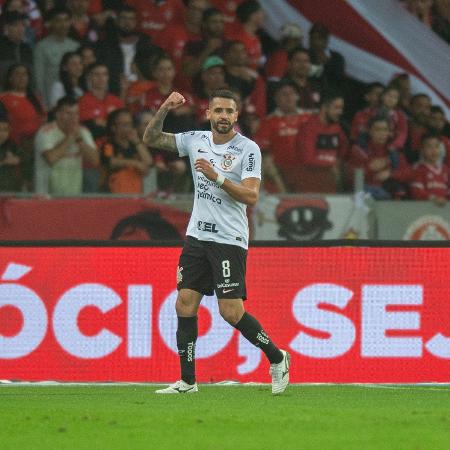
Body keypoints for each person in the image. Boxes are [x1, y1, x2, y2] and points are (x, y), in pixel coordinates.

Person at [143, 89, 290, 395]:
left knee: (231, 312)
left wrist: (217, 177)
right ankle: (187, 381)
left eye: (229, 112)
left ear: (237, 116)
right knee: (184, 303)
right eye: (218, 111)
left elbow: (251, 196)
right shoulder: (195, 139)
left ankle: (277, 358)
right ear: (208, 113)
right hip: (197, 235)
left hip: (229, 238)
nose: (223, 116)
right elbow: (152, 140)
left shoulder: (248, 149)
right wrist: (165, 108)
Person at [34, 95, 98, 195]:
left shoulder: (83, 132)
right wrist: (70, 137)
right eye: (68, 113)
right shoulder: (45, 132)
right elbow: (51, 158)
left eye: (76, 113)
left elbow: (95, 160)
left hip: (73, 196)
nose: (73, 117)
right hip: (46, 197)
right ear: (58, 114)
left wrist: (80, 141)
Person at [33, 7, 79, 110]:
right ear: (50, 23)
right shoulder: (41, 47)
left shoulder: (75, 46)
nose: (63, 25)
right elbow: (39, 79)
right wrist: (43, 105)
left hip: (74, 98)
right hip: (51, 101)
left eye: (66, 20)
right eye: (58, 21)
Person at [100, 108, 152, 193]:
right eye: (125, 125)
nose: (129, 128)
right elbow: (109, 161)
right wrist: (135, 163)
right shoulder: (109, 145)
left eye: (130, 124)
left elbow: (149, 162)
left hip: (135, 194)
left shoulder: (135, 145)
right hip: (114, 194)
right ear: (114, 128)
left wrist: (137, 142)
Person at [410, 133, 449, 206]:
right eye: (429, 146)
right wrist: (434, 199)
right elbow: (416, 192)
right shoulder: (418, 168)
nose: (434, 150)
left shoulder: (446, 170)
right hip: (424, 211)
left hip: (444, 210)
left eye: (437, 146)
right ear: (422, 149)